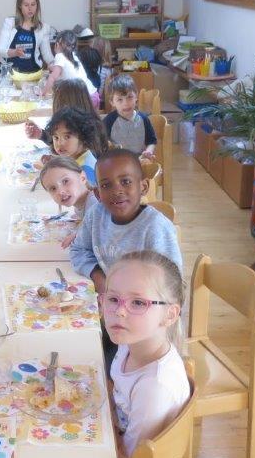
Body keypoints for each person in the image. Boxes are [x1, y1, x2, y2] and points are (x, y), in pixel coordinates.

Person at [71, 148, 181, 363]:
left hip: (147, 323)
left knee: (113, 367)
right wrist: (100, 278)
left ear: (143, 187)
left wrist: (126, 301)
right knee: (80, 350)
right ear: (97, 194)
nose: (117, 191)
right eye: (106, 185)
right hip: (111, 309)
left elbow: (171, 288)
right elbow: (78, 249)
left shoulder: (156, 228)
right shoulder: (96, 215)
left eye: (126, 182)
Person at [103, 250, 190, 458]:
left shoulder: (153, 387)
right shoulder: (130, 342)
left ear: (170, 315)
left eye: (138, 303)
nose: (120, 311)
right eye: (113, 299)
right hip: (115, 439)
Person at [38, 156, 97, 248]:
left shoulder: (95, 203)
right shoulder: (81, 203)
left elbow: (101, 234)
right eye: (53, 188)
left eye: (65, 181)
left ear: (82, 178)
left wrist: (78, 235)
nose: (60, 191)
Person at [45, 107, 109, 186]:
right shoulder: (77, 158)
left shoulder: (85, 170)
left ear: (83, 137)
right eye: (56, 137)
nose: (60, 143)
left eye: (67, 137)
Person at [23, 78, 100, 142]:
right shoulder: (86, 124)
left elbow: (63, 149)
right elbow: (60, 146)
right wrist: (41, 135)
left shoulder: (85, 132)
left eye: (54, 99)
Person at [0, 0, 54, 73]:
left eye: (33, 4)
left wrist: (54, 64)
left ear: (37, 6)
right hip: (11, 72)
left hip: (33, 72)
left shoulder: (43, 27)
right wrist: (15, 52)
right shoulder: (10, 23)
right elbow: (0, 51)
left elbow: (47, 55)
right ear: (20, 6)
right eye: (26, 5)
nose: (30, 8)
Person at [103, 75, 157, 159]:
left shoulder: (144, 119)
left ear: (136, 96)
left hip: (139, 160)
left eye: (130, 97)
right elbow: (102, 143)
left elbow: (152, 141)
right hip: (117, 160)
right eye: (120, 99)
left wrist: (148, 152)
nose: (126, 103)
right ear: (112, 102)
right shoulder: (108, 121)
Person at [43, 30, 98, 104]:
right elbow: (62, 68)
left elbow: (52, 77)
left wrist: (43, 93)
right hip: (93, 95)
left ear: (57, 44)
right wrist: (52, 68)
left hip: (85, 99)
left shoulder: (60, 56)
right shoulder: (74, 55)